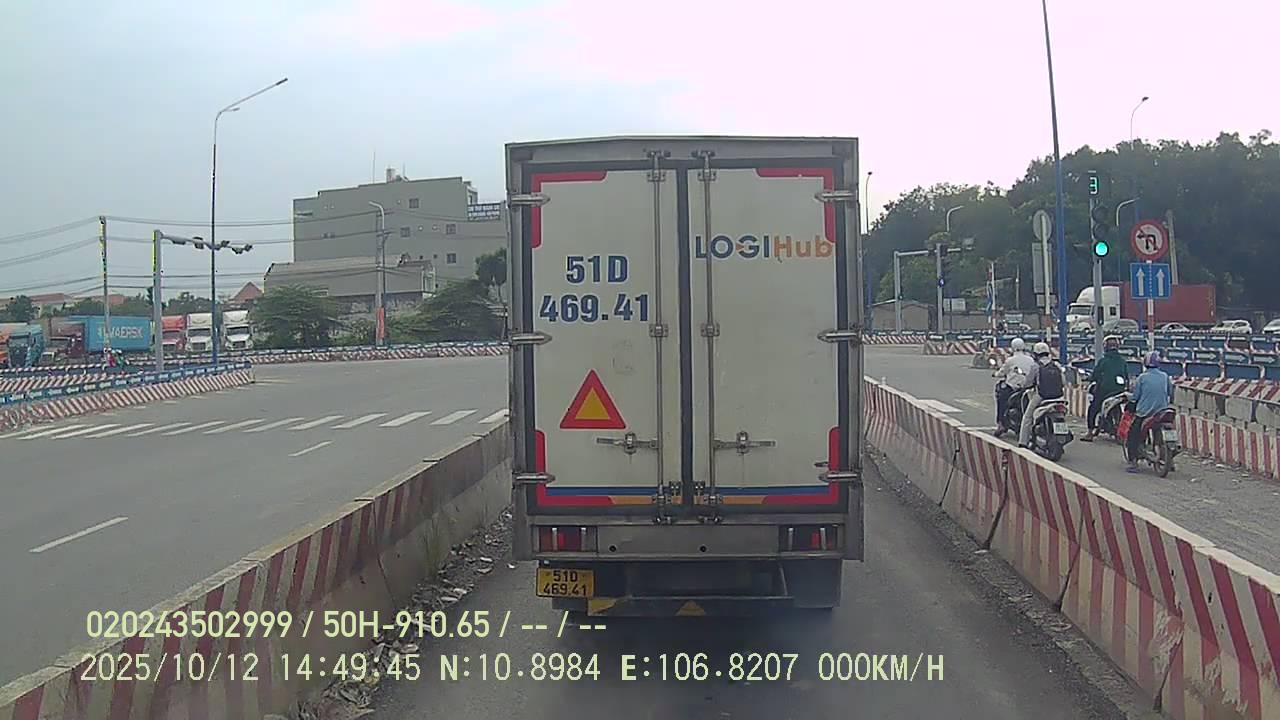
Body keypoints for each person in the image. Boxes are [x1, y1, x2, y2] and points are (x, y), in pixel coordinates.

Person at [1126, 350, 1174, 472]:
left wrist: (1130, 400)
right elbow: (1171, 393)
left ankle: (1133, 462)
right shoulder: (1165, 376)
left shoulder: (1142, 378)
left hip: (1145, 413)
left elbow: (1135, 397)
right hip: (1163, 411)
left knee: (1133, 435)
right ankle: (1170, 462)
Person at [1081, 335, 1128, 441]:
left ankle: (1089, 433)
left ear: (1105, 347)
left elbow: (1095, 375)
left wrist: (1091, 379)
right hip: (1120, 391)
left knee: (1093, 409)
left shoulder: (1103, 361)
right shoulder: (1122, 361)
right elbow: (1126, 376)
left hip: (1104, 392)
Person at [1019, 341, 1065, 449]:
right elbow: (1063, 382)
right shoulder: (1056, 365)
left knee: (1027, 417)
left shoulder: (1036, 366)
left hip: (1042, 396)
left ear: (1035, 354)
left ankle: (1023, 443)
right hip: (1058, 397)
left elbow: (1028, 382)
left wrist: (1024, 386)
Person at [994, 338, 1036, 429]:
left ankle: (1001, 423)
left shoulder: (1010, 360)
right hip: (1028, 388)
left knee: (1001, 399)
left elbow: (1002, 372)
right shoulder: (1031, 360)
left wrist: (996, 374)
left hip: (1013, 388)